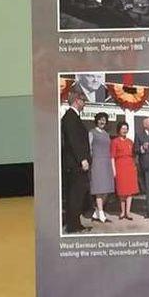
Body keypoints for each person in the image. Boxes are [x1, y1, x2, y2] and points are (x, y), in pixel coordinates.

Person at [60, 90, 91, 234]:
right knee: (75, 195)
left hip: (76, 163)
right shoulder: (70, 117)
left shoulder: (73, 117)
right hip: (76, 164)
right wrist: (82, 159)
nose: (85, 104)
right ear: (77, 100)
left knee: (78, 195)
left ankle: (76, 224)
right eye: (84, 100)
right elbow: (74, 141)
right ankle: (72, 227)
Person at [87, 112, 114, 224]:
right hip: (97, 162)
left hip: (106, 162)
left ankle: (96, 212)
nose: (102, 122)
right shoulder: (92, 132)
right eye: (100, 120)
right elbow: (89, 148)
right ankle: (101, 214)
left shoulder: (107, 134)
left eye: (104, 120)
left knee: (107, 189)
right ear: (97, 120)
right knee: (99, 189)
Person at [111, 120, 139, 222]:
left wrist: (135, 166)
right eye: (123, 128)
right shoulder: (114, 141)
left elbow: (134, 155)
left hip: (130, 167)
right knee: (122, 191)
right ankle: (122, 212)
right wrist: (114, 170)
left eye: (126, 129)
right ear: (119, 130)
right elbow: (112, 157)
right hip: (120, 167)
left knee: (130, 191)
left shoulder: (130, 142)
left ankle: (128, 212)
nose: (124, 130)